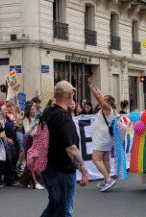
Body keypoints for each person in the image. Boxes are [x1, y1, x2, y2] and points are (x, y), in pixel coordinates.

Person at [40, 80, 89, 217]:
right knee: (64, 210)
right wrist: (84, 172)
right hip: (61, 170)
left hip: (48, 168)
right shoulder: (63, 118)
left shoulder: (48, 111)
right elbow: (71, 149)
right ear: (70, 94)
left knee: (54, 205)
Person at [88, 76, 117, 192]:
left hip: (102, 137)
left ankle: (108, 179)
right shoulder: (109, 109)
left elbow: (97, 98)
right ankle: (106, 180)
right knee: (105, 159)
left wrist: (90, 86)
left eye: (104, 98)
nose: (102, 99)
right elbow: (99, 98)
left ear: (108, 101)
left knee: (95, 159)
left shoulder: (107, 107)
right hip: (105, 137)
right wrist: (99, 93)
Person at [18, 101, 44, 190]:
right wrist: (33, 126)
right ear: (28, 110)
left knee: (33, 162)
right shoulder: (26, 119)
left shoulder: (37, 117)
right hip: (30, 140)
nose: (34, 110)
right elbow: (27, 132)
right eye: (32, 108)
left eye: (34, 108)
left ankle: (24, 180)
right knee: (32, 161)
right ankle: (35, 182)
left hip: (37, 140)